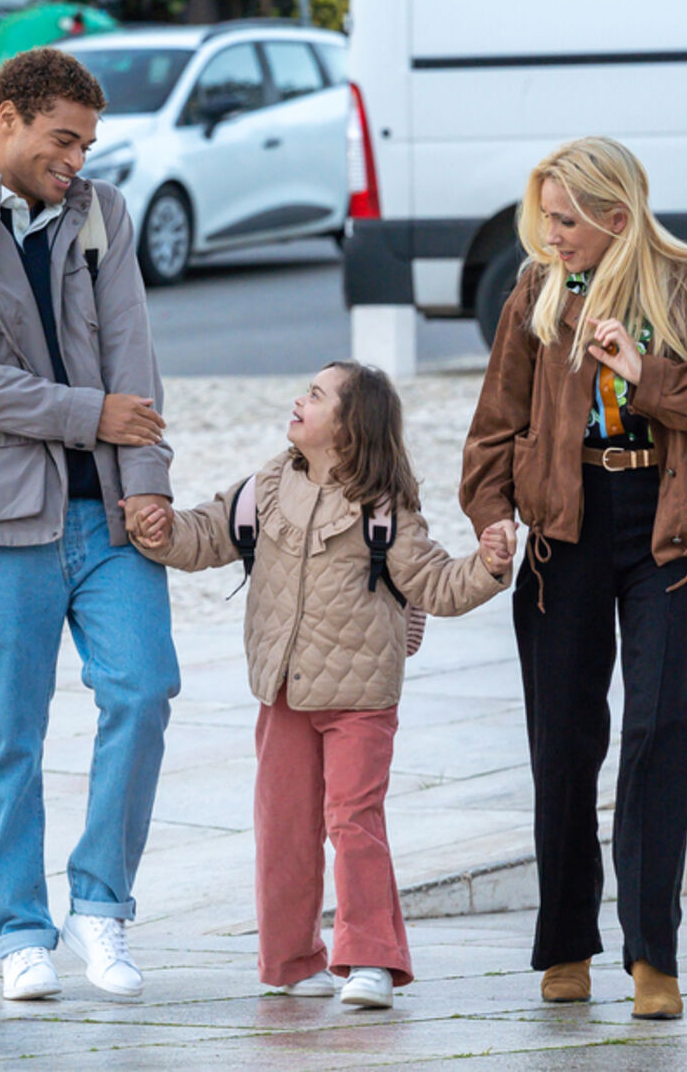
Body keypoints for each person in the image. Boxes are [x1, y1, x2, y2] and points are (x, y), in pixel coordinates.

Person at [461, 137, 687, 1019]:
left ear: (618, 217)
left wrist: (648, 375)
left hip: (666, 526)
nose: (550, 235)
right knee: (562, 736)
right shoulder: (535, 290)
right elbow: (496, 421)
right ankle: (565, 944)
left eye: (566, 220)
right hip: (566, 528)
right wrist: (491, 515)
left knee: (658, 728)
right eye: (545, 217)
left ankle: (653, 957)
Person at [0, 48, 179, 1001]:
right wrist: (85, 413)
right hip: (0, 514)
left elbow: (134, 354)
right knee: (9, 731)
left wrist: (148, 482)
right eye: (63, 139)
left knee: (142, 691)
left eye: (88, 142)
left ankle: (101, 908)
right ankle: (20, 931)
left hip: (109, 518)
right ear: (6, 119)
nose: (77, 159)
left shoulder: (104, 214)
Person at [131, 361, 510, 1009]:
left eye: (315, 395)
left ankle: (369, 961)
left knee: (353, 821)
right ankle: (287, 960)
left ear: (350, 425)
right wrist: (163, 532)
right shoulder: (267, 486)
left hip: (360, 698)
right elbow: (208, 534)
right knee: (283, 826)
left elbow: (438, 584)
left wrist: (490, 564)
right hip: (281, 693)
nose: (298, 400)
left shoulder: (385, 507)